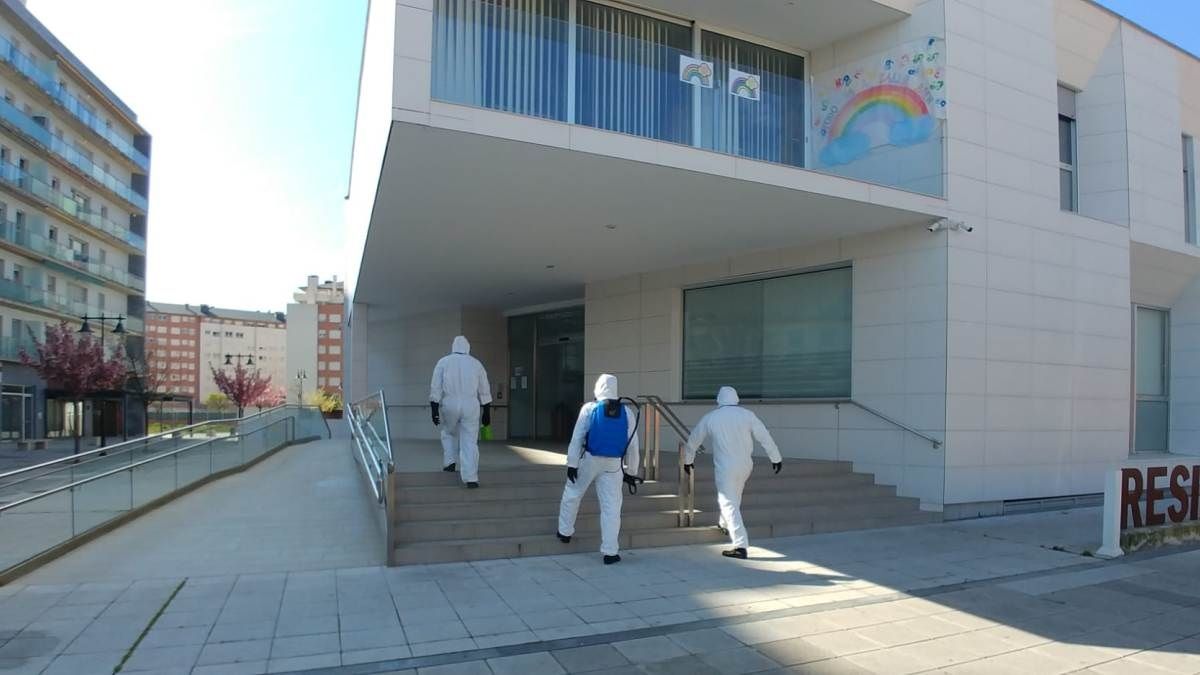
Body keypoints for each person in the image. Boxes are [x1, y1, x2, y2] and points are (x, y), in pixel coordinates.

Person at [684, 386, 781, 560]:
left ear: (719, 399)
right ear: (736, 398)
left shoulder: (711, 418)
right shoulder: (747, 415)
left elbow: (694, 439)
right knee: (734, 497)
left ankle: (740, 546)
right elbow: (764, 436)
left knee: (728, 502)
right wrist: (776, 458)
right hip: (745, 465)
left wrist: (688, 460)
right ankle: (724, 524)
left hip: (725, 467)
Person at [556, 374, 641, 564]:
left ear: (598, 387)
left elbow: (577, 437)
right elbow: (633, 444)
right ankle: (610, 552)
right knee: (611, 507)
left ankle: (565, 531)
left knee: (573, 493)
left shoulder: (589, 408)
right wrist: (632, 472)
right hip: (614, 464)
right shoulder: (626, 412)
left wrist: (572, 464)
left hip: (590, 459)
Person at [429, 335, 492, 488]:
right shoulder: (476, 364)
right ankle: (471, 478)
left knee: (448, 432)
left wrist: (434, 409)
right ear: (468, 347)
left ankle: (450, 462)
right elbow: (484, 388)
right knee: (469, 441)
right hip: (471, 404)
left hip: (449, 403)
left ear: (453, 346)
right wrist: (487, 412)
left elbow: (435, 387)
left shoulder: (443, 362)